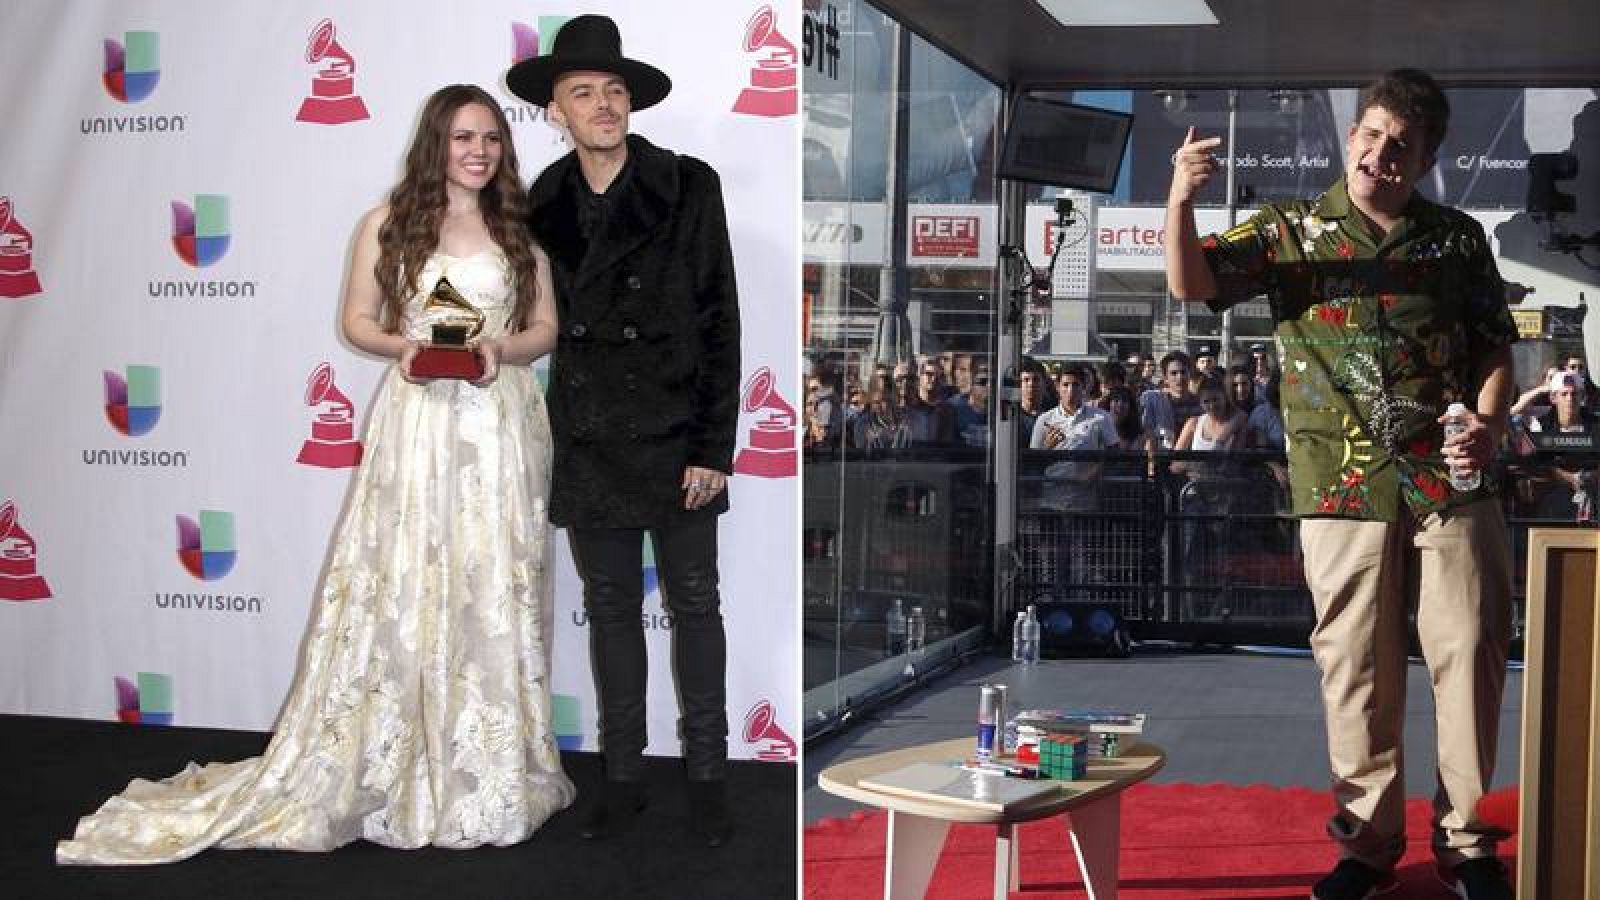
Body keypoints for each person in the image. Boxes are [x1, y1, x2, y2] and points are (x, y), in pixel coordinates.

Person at [57, 84, 574, 865]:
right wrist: (400, 346)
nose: (479, 151)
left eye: (492, 139)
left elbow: (544, 330)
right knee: (405, 581)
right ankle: (395, 768)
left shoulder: (516, 231)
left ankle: (491, 771)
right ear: (436, 143)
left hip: (500, 431)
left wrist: (501, 352)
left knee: (493, 585)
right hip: (420, 422)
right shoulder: (387, 224)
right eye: (464, 137)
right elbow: (356, 321)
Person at [1166, 69, 1517, 899]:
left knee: (1470, 654)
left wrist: (1492, 423)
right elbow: (1192, 283)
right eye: (1370, 133)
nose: (1379, 153)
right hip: (1339, 487)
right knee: (1356, 672)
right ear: (1350, 135)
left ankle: (1467, 845)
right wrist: (1180, 198)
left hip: (1451, 482)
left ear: (1425, 159)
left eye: (1401, 144)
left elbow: (1495, 348)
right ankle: (1366, 849)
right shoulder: (1291, 231)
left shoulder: (1459, 240)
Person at [509, 15, 739, 847]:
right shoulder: (541, 202)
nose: (604, 105)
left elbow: (722, 320)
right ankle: (624, 777)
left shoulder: (688, 183)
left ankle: (709, 778)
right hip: (592, 435)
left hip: (678, 434)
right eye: (584, 94)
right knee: (609, 610)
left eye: (614, 91)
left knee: (695, 606)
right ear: (556, 112)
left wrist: (714, 446)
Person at [1139, 350, 1199, 449]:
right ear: (1165, 378)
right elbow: (1147, 435)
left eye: (1183, 372)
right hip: (1161, 458)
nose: (1180, 377)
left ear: (1190, 374)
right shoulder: (1153, 400)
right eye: (1174, 373)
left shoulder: (1201, 403)